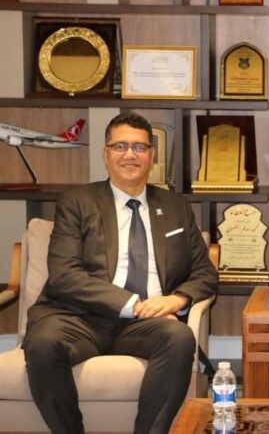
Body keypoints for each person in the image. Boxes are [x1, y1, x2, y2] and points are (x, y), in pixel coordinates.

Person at [22, 112, 219, 434]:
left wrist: (176, 299)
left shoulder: (175, 206)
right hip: (77, 317)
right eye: (120, 146)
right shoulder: (77, 202)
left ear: (152, 156)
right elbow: (64, 275)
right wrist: (133, 305)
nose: (130, 155)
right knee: (43, 344)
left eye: (140, 147)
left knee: (180, 338)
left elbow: (205, 274)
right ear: (106, 153)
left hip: (145, 325)